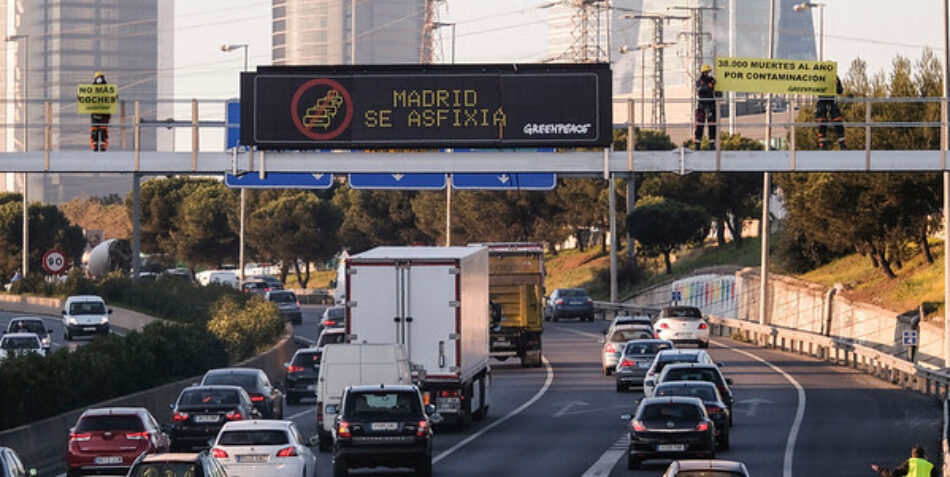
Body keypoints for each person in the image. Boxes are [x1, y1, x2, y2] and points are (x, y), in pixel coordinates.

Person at [694, 64, 722, 150]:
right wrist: (709, 86)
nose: (708, 74)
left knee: (712, 125)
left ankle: (712, 143)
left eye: (709, 72)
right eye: (706, 72)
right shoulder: (699, 82)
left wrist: (716, 92)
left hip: (711, 105)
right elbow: (700, 90)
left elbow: (717, 92)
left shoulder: (713, 80)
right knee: (700, 124)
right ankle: (697, 144)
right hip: (702, 105)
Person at [816, 76, 846, 150]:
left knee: (837, 120)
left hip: (832, 100)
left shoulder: (834, 76)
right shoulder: (817, 76)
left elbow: (840, 90)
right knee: (822, 121)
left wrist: (837, 83)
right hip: (822, 101)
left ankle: (842, 144)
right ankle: (823, 145)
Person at [90, 72, 111, 152]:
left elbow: (112, 97)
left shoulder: (108, 89)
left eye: (100, 77)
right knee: (94, 130)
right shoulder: (91, 90)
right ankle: (94, 146)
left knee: (103, 130)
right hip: (95, 112)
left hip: (104, 113)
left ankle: (103, 146)